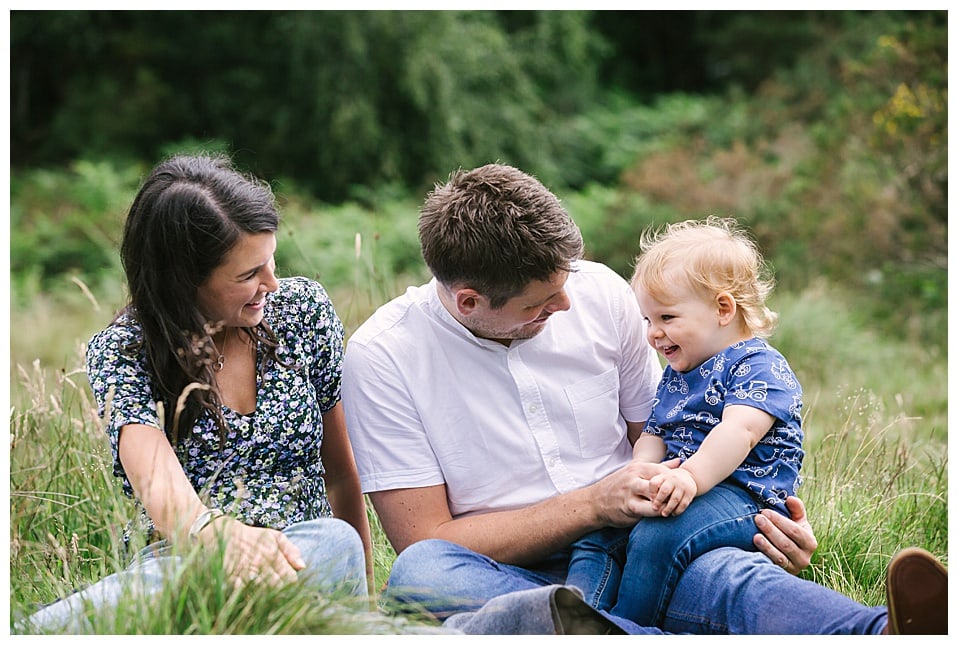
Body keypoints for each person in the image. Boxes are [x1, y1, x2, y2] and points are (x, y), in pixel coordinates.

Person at [341, 163, 947, 635]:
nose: (568, 307)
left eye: (566, 281)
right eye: (538, 305)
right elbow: (427, 541)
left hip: (636, 547)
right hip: (498, 572)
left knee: (725, 576)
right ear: (470, 300)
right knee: (420, 579)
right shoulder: (384, 356)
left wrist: (748, 521)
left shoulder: (601, 291)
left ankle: (884, 631)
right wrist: (590, 506)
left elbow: (667, 437)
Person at [20, 154, 372, 633]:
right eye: (248, 275)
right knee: (163, 584)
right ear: (185, 281)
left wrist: (365, 605)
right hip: (184, 562)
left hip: (302, 557)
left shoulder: (302, 310)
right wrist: (218, 537)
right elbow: (157, 481)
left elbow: (340, 475)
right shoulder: (125, 350)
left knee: (335, 542)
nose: (270, 283)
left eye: (271, 262)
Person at [566, 217, 805, 625]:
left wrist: (690, 478)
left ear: (723, 308)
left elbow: (739, 433)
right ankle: (573, 617)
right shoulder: (678, 374)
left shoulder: (759, 365)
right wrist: (641, 473)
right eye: (647, 320)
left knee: (659, 536)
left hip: (743, 497)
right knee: (598, 535)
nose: (652, 334)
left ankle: (625, 626)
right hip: (684, 486)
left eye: (666, 318)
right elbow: (656, 432)